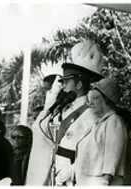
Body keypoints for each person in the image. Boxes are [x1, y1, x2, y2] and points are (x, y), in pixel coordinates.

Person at [26, 40, 105, 186]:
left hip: (73, 178)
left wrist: (73, 170)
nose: (63, 86)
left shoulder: (91, 113)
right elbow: (39, 129)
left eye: (67, 82)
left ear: (79, 84)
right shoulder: (61, 108)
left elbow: (95, 151)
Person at [73, 78, 127, 185]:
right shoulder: (98, 124)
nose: (90, 103)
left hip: (100, 182)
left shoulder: (114, 121)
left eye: (95, 98)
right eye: (89, 99)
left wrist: (105, 180)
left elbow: (112, 156)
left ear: (107, 100)